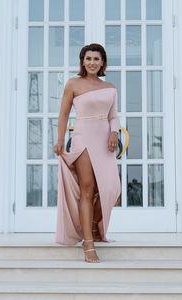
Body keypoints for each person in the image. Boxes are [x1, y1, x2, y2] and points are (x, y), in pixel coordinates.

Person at [53, 43, 121, 263]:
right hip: (83, 138)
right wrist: (61, 139)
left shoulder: (110, 87)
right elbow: (63, 114)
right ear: (82, 61)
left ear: (103, 63)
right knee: (88, 189)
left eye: (96, 59)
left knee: (112, 188)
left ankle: (92, 224)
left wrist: (114, 132)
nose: (92, 62)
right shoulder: (73, 84)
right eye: (88, 58)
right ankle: (88, 243)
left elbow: (113, 116)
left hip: (105, 142)